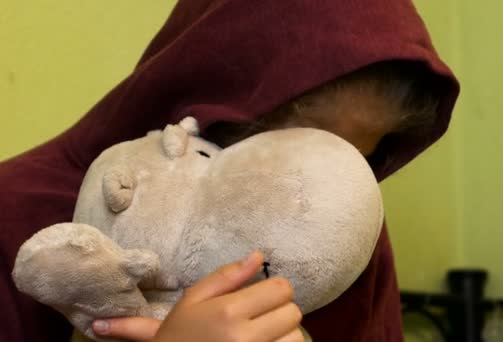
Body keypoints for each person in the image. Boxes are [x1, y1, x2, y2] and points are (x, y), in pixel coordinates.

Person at [0, 0, 459, 341]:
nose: (329, 178)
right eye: (305, 144)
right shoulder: (18, 214)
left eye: (360, 154)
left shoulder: (346, 230)